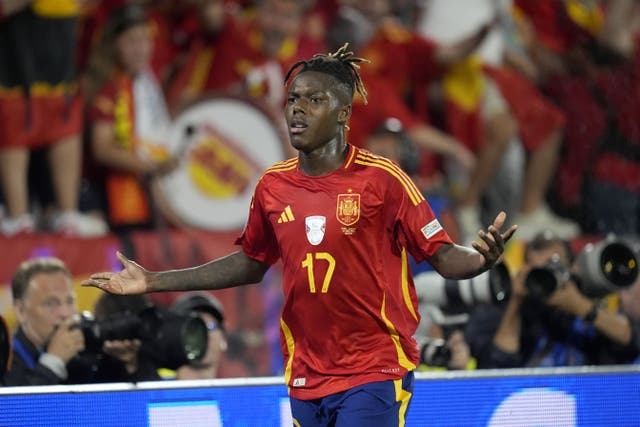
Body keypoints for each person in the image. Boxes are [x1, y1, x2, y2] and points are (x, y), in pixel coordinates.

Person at [82, 44, 517, 426]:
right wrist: (155, 280)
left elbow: (442, 256)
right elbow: (251, 263)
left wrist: (480, 260)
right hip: (306, 371)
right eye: (293, 99)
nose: (298, 108)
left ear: (344, 113)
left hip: (375, 367)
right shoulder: (273, 186)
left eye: (314, 99)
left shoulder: (383, 181)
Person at [0, 0, 108, 237]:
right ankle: (19, 217)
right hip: (16, 77)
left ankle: (68, 214)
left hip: (61, 77)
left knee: (65, 133)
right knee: (14, 137)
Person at [466, 231, 639, 368]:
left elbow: (631, 340)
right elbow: (497, 366)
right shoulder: (502, 311)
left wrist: (578, 305)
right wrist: (517, 302)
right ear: (525, 270)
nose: (547, 277)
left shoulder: (585, 309)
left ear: (572, 268)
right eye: (539, 271)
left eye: (556, 267)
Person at [84, 4, 177, 232]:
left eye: (145, 40)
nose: (141, 49)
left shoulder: (146, 83)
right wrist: (153, 166)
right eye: (131, 41)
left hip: (145, 190)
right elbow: (102, 149)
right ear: (114, 46)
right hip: (109, 195)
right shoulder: (108, 87)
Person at [4, 257, 85, 386]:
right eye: (50, 303)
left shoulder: (80, 352)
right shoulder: (5, 360)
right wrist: (54, 362)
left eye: (70, 301)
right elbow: (18, 406)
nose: (65, 313)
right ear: (20, 311)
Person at [169, 292, 227, 380]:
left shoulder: (241, 391)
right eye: (194, 328)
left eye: (211, 326)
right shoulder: (151, 391)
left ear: (223, 339)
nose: (206, 335)